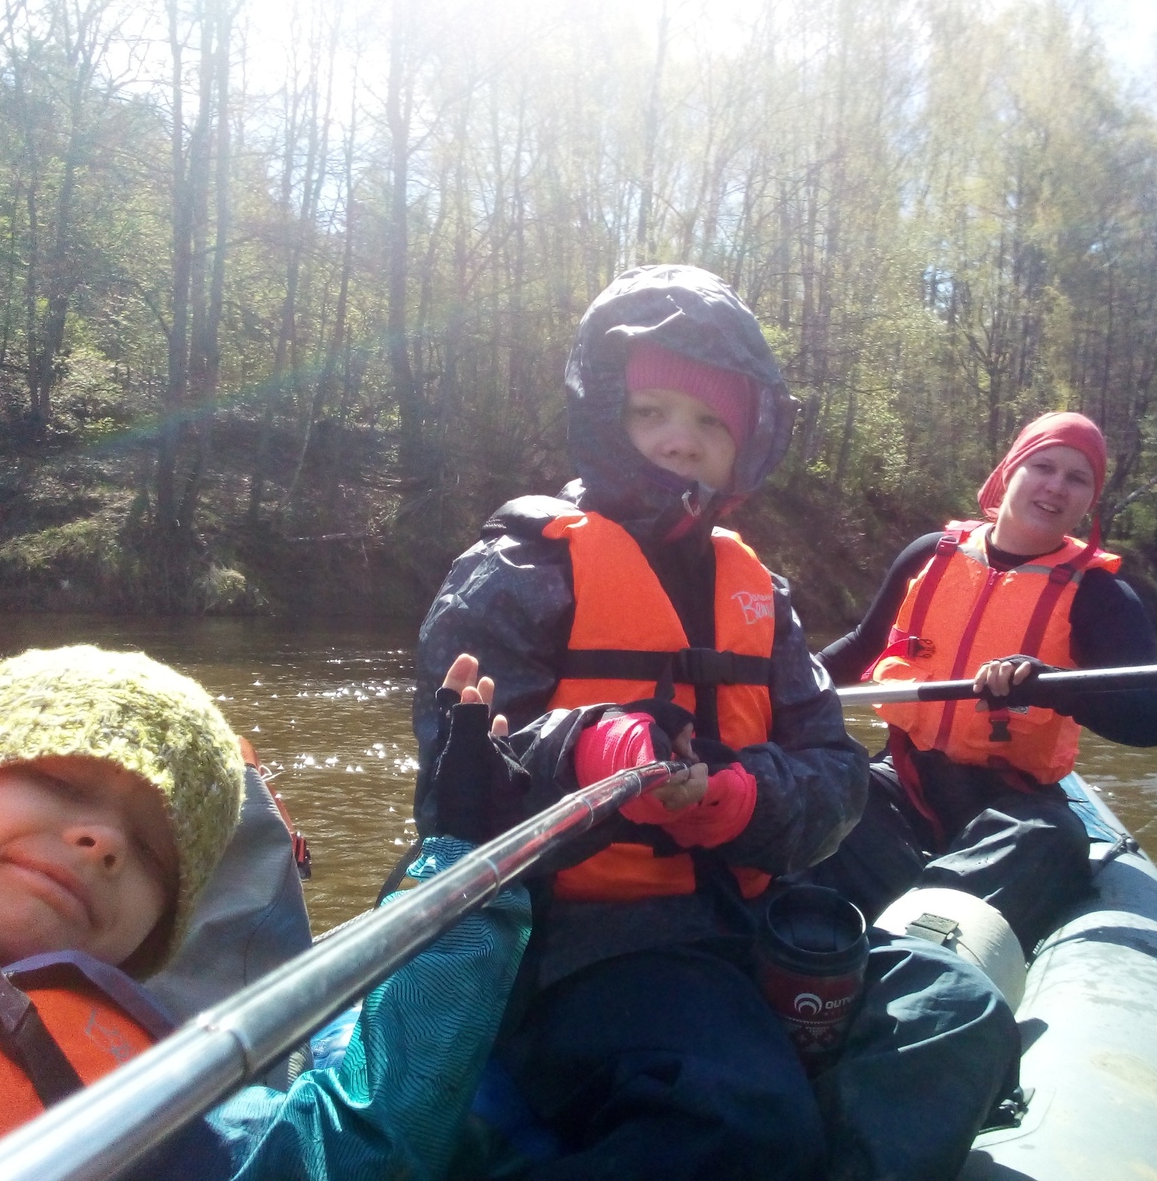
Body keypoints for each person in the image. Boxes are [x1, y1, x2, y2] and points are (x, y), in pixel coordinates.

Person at [413, 264, 1019, 1181]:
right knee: (737, 1120)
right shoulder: (514, 570)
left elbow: (836, 778)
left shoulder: (760, 596)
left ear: (749, 446)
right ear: (603, 415)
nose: (678, 442)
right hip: (579, 951)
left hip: (747, 925)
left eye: (710, 424)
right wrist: (596, 750)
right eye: (650, 411)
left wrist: (731, 799)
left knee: (959, 1011)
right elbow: (455, 791)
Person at [0, 646, 531, 1181]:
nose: (105, 843)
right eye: (59, 781)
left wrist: (462, 857)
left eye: (153, 855)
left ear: (151, 939)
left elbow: (335, 1158)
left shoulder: (121, 1092)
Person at [813, 411, 1157, 959]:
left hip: (1013, 806)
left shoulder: (1101, 595)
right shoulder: (928, 556)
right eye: (1043, 466)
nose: (1056, 485)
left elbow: (1152, 720)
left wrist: (1053, 685)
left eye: (1078, 479)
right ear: (1010, 471)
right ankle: (833, 937)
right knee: (823, 791)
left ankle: (916, 940)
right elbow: (862, 647)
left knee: (1051, 841)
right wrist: (779, 680)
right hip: (905, 781)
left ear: (1089, 501)